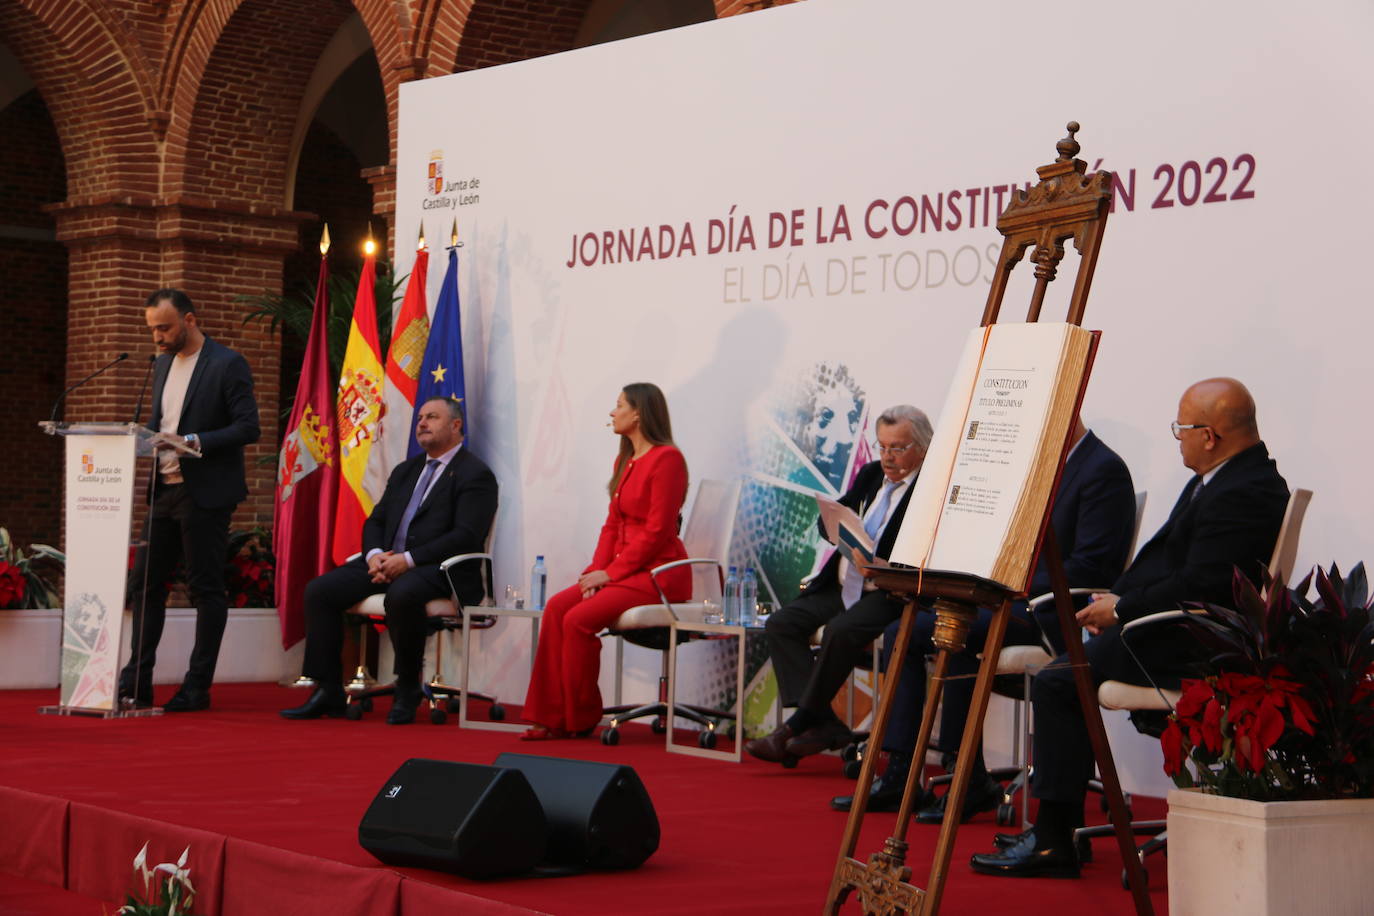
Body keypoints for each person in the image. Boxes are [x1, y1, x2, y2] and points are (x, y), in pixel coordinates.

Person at [971, 378, 1289, 878]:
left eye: (1180, 429)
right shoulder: (1228, 477)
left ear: (1209, 435)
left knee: (1059, 680)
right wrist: (1115, 601)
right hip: (1170, 626)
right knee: (1064, 675)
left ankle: (1055, 841)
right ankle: (1057, 831)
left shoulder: (1244, 491)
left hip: (1192, 640)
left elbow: (1201, 583)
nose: (1177, 438)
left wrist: (1122, 611)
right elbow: (1167, 565)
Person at [831, 421, 1136, 820]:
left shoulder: (1103, 469)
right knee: (903, 631)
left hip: (1048, 612)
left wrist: (1008, 585)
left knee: (950, 634)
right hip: (1003, 602)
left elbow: (1093, 565)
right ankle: (904, 772)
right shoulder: (1040, 468)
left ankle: (966, 776)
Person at [280, 396, 498, 724]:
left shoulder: (474, 474)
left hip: (440, 569)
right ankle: (327, 690)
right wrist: (374, 556)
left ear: (456, 426)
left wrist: (407, 561)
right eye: (421, 417)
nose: (422, 423)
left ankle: (408, 686)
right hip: (387, 561)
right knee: (320, 590)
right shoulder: (406, 470)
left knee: (404, 593)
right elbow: (376, 521)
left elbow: (466, 535)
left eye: (432, 417)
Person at [745, 405, 933, 764]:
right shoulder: (870, 474)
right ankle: (824, 723)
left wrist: (882, 565)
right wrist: (835, 525)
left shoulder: (932, 488)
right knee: (782, 623)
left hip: (890, 590)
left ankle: (797, 724)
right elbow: (831, 520)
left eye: (898, 448)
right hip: (843, 582)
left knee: (839, 631)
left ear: (923, 447)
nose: (888, 457)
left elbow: (927, 551)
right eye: (882, 447)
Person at [521, 383, 690, 740]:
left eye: (618, 406)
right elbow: (612, 525)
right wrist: (593, 572)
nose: (612, 414)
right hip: (625, 571)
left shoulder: (667, 459)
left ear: (639, 413)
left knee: (579, 619)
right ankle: (551, 715)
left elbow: (657, 531)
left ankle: (579, 717)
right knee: (556, 607)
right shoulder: (624, 460)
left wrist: (609, 573)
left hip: (659, 574)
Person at [118, 288, 260, 712]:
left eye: (164, 327)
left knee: (205, 588)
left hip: (206, 492)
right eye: (152, 330)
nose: (157, 338)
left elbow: (248, 427)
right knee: (144, 586)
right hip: (163, 489)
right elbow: (158, 423)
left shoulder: (226, 363)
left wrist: (194, 441)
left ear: (190, 320)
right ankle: (135, 683)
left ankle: (197, 686)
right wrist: (140, 436)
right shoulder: (160, 365)